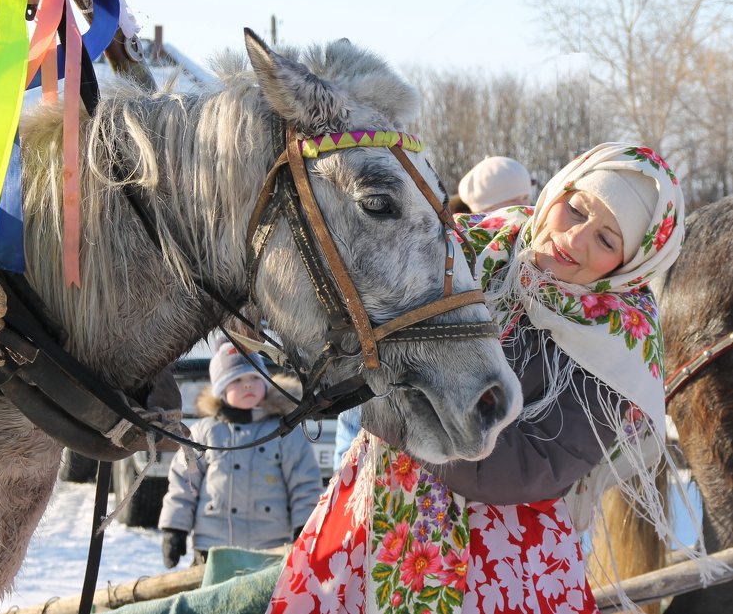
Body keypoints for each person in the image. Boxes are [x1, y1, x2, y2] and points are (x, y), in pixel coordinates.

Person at [265, 142, 700, 614]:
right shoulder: (472, 245)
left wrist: (386, 409)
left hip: (499, 558)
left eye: (607, 240)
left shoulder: (620, 348)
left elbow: (530, 467)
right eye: (575, 209)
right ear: (558, 189)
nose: (575, 240)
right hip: (371, 509)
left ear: (631, 264)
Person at [158, 341, 323, 568]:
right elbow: (184, 483)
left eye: (254, 378)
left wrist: (303, 528)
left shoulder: (284, 432)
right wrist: (174, 529)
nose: (248, 386)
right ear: (221, 390)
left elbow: (304, 484)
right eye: (237, 380)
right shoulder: (205, 432)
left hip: (270, 549)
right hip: (213, 548)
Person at [458, 155, 533, 212]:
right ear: (486, 209)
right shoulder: (460, 232)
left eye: (525, 198)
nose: (524, 205)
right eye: (513, 200)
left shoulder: (537, 227)